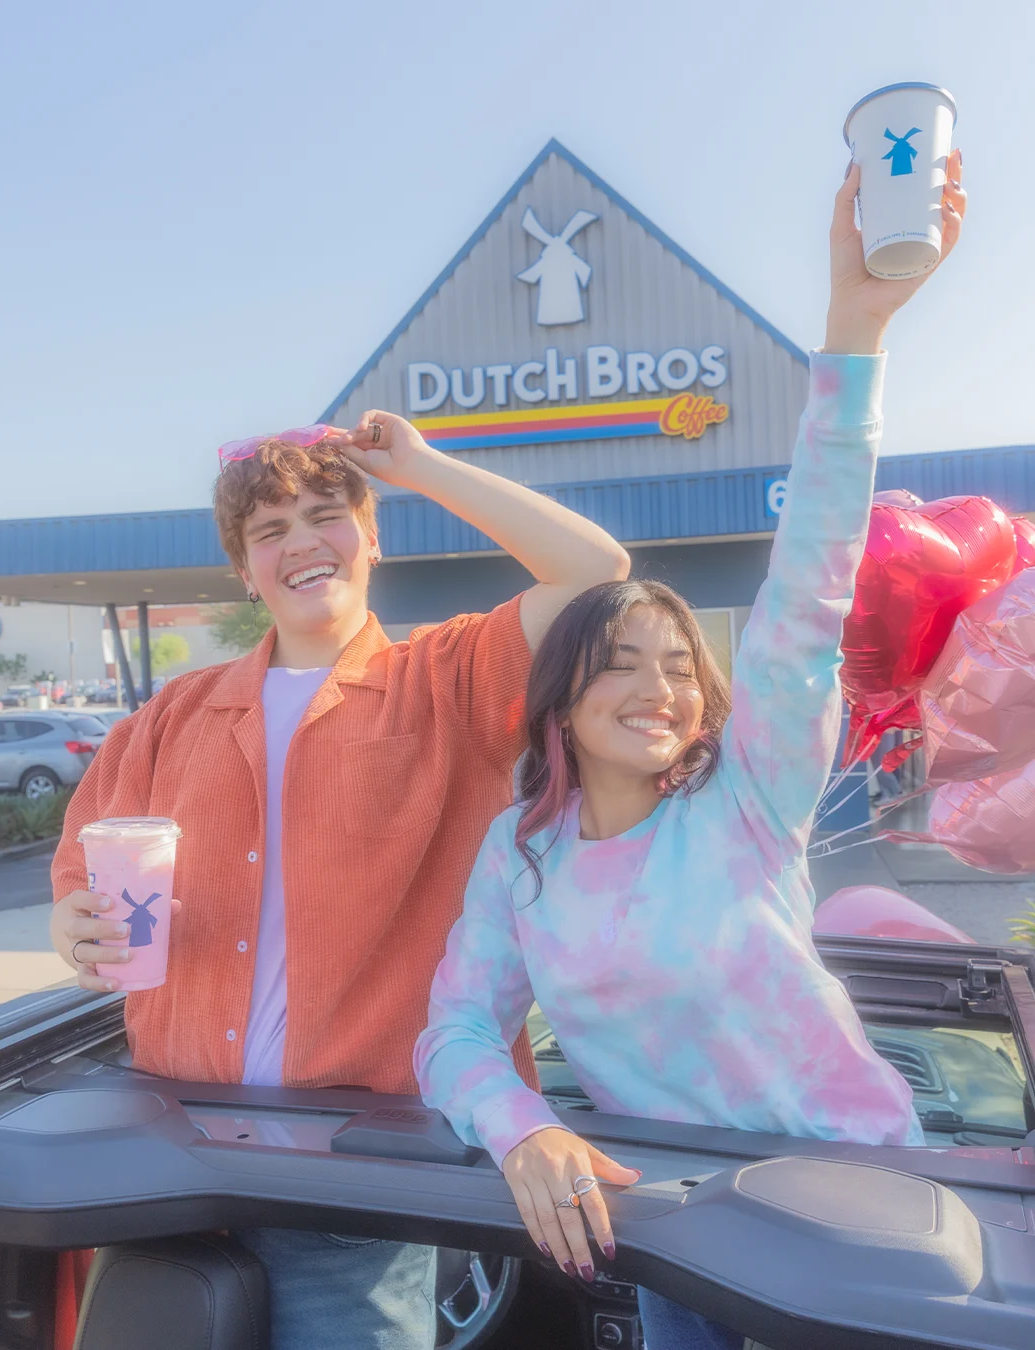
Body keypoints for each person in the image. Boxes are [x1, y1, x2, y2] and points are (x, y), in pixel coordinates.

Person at [415, 151, 966, 1350]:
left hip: (859, 1218)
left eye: (678, 664)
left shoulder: (748, 798)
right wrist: (524, 1128)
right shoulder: (522, 853)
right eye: (620, 659)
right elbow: (454, 1031)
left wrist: (854, 327)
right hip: (673, 1231)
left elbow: (812, 578)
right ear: (560, 699)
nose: (657, 685)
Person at [49, 413, 629, 1350]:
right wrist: (72, 923)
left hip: (354, 1165)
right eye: (269, 531)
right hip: (175, 1149)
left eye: (326, 515)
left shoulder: (444, 679)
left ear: (372, 536)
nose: (301, 544)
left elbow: (594, 572)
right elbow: (86, 858)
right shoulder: (174, 713)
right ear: (245, 569)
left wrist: (424, 468)